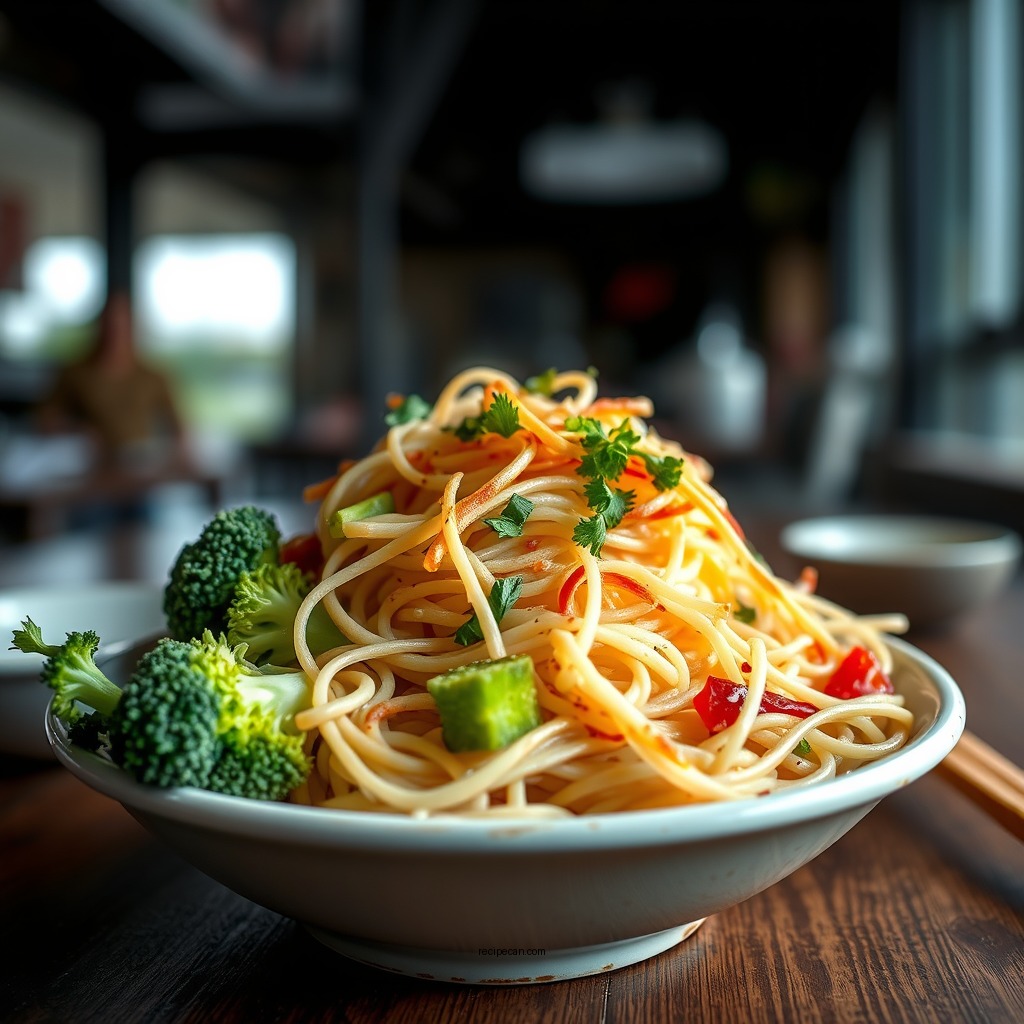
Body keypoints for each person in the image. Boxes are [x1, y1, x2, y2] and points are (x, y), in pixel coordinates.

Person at [36, 291, 190, 469]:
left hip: (142, 466)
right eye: (109, 325)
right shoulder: (75, 373)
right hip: (89, 467)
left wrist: (179, 456)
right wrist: (77, 431)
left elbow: (180, 428)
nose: (115, 333)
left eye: (122, 326)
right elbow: (44, 420)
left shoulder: (153, 375)